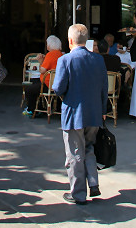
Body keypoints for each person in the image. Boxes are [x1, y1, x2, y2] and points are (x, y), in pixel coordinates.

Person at [52, 24, 107, 205]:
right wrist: (103, 110)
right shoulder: (98, 60)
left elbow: (59, 87)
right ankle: (93, 182)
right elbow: (104, 88)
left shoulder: (65, 60)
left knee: (75, 153)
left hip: (74, 113)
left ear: (70, 41)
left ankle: (78, 193)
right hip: (94, 112)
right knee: (89, 147)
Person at [23, 35, 64, 115]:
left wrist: (40, 61)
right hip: (58, 83)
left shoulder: (50, 55)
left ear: (49, 45)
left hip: (48, 85)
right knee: (34, 81)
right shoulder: (61, 55)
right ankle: (41, 106)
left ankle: (32, 109)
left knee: (29, 90)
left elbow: (42, 70)